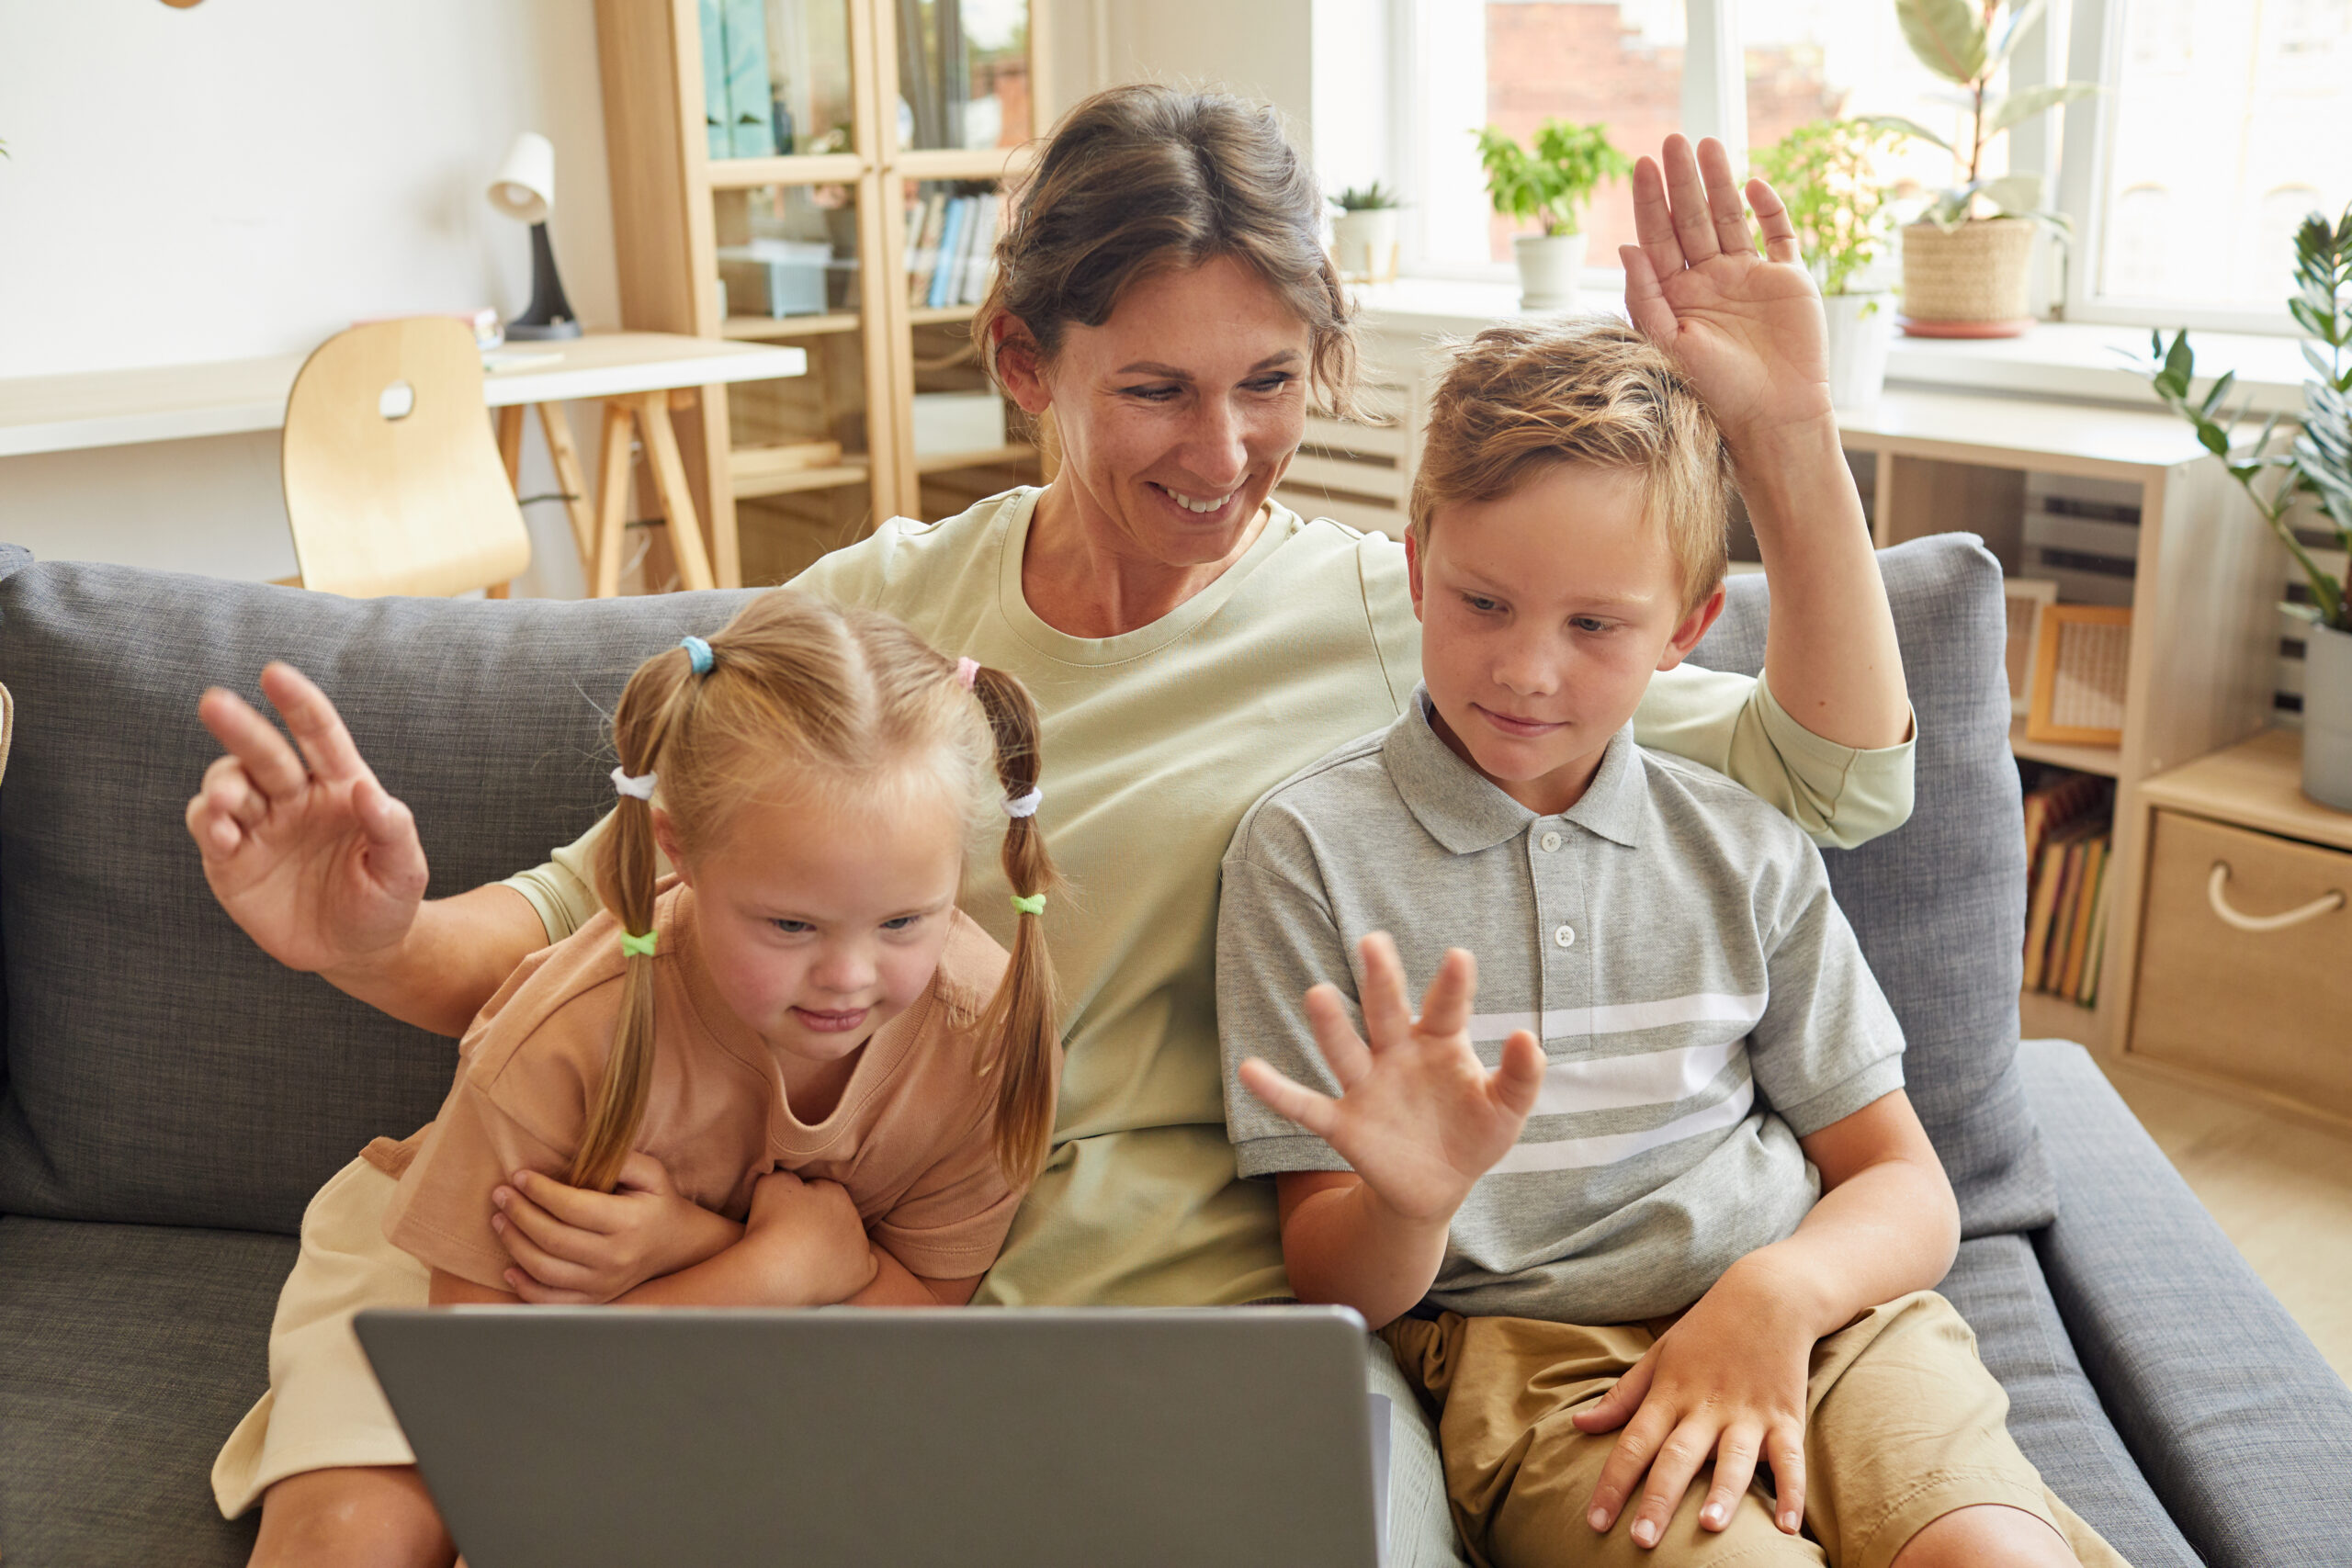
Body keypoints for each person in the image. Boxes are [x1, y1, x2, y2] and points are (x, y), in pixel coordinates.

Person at [187, 87, 1916, 1567]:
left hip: (1122, 1319)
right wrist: (373, 938)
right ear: (1028, 359)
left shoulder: (1430, 624)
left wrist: (1786, 430)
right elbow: (605, 916)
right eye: (1157, 387)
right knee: (358, 1534)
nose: (1225, 449)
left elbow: (1837, 780)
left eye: (1270, 381)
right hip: (669, 1232)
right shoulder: (882, 604)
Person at [1217, 317, 2123, 1568]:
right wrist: (1410, 1200)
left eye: (1596, 626)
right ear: (1417, 568)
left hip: (1820, 1319)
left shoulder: (1745, 842)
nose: (1528, 668)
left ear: (1687, 627)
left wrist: (1776, 1292)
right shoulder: (1304, 852)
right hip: (1544, 1367)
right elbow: (1340, 1284)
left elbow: (1906, 1183)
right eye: (1484, 601)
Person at [208, 592, 1063, 1563]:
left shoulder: (988, 1035)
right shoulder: (562, 1033)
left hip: (758, 1328)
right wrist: (771, 1269)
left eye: (905, 922)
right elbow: (490, 1389)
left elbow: (917, 1326)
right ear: (678, 853)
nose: (849, 977)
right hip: (463, 1289)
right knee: (352, 1545)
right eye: (790, 925)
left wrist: (702, 1253)